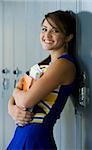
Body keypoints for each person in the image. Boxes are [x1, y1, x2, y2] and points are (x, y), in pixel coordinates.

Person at [7, 10, 78, 149]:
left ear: (68, 37)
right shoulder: (44, 65)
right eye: (44, 29)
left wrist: (15, 92)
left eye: (55, 30)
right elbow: (20, 95)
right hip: (22, 135)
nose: (47, 35)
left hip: (35, 139)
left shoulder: (64, 64)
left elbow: (25, 100)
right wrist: (11, 108)